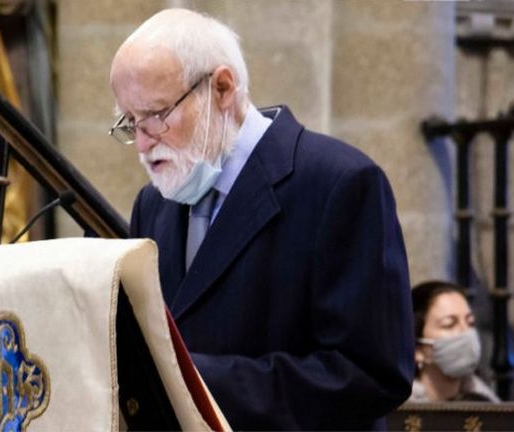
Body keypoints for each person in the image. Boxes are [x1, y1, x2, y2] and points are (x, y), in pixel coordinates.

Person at [109, 8, 414, 430]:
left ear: (222, 88)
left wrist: (197, 381)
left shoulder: (340, 183)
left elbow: (371, 373)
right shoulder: (154, 203)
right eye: (130, 122)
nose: (142, 143)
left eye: (157, 115)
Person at [409, 280, 500, 402]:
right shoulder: (398, 412)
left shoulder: (487, 403)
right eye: (449, 324)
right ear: (418, 349)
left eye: (470, 323)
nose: (465, 332)